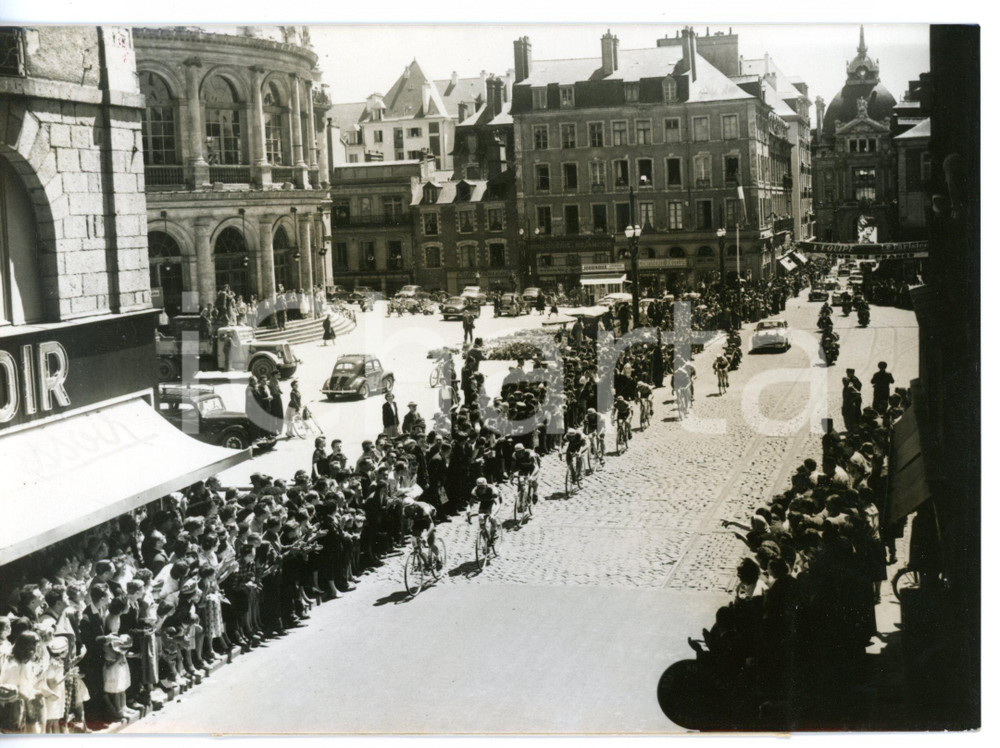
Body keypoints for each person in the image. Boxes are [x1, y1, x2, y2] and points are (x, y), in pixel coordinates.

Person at [402, 498, 441, 571]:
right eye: (407, 508)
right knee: (415, 543)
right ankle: (425, 562)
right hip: (418, 520)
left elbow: (431, 525)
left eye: (410, 508)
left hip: (429, 517)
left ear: (414, 506)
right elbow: (402, 526)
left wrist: (426, 536)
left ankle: (438, 559)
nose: (409, 510)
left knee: (430, 542)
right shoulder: (404, 512)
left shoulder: (423, 509)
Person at [469, 477, 502, 546]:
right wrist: (468, 512)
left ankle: (495, 532)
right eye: (479, 488)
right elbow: (470, 504)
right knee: (481, 520)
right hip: (484, 502)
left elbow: (498, 504)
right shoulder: (474, 491)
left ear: (486, 486)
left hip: (493, 502)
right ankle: (486, 542)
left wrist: (493, 514)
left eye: (483, 488)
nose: (481, 490)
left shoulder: (493, 490)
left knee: (492, 517)